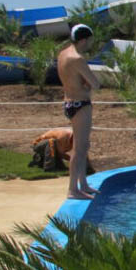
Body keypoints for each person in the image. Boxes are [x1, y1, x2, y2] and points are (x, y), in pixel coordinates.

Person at [57, 24, 101, 200]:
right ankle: (72, 189)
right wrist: (87, 84)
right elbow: (95, 84)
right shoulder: (78, 59)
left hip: (69, 102)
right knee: (79, 148)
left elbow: (69, 78)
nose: (90, 44)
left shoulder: (63, 54)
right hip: (81, 104)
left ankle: (83, 184)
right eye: (90, 40)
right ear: (83, 40)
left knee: (82, 146)